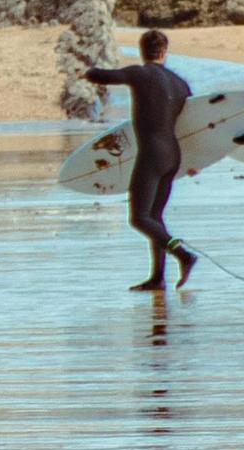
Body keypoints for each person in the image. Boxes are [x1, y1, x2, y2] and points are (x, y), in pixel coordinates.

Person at [83, 28, 198, 291]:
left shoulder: (140, 73)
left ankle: (182, 254)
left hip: (152, 155)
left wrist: (87, 73)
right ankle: (158, 278)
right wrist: (195, 161)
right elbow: (193, 126)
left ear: (142, 50)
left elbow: (106, 76)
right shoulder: (181, 84)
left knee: (139, 218)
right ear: (165, 52)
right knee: (154, 217)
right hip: (174, 155)